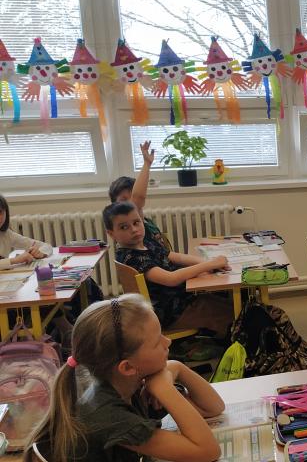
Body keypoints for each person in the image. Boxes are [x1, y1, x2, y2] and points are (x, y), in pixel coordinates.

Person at [24, 294, 223, 462]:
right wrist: (164, 389)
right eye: (157, 342)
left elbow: (212, 408)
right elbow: (207, 451)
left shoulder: (127, 385)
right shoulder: (107, 414)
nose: (168, 341)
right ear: (127, 367)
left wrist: (177, 367)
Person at [104, 201, 232, 336]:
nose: (134, 229)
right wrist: (210, 265)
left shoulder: (146, 243)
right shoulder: (132, 257)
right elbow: (171, 279)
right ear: (111, 234)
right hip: (172, 312)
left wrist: (208, 262)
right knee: (230, 312)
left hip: (183, 300)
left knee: (226, 297)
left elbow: (174, 256)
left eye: (136, 222)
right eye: (124, 227)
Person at [108, 141, 171, 252]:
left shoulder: (145, 222)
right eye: (124, 200)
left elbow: (166, 253)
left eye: (131, 197)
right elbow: (138, 198)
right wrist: (146, 164)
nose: (131, 202)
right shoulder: (133, 229)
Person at [0, 193, 53, 270]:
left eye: (0, 212)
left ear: (6, 212)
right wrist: (14, 260)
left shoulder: (7, 234)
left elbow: (47, 246)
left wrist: (40, 253)